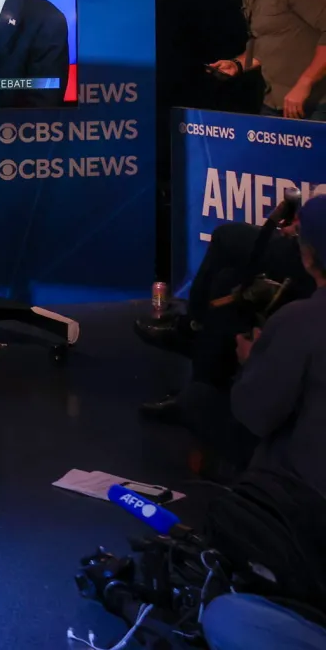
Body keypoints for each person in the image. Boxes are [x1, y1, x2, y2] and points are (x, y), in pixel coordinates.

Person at [135, 193, 312, 461]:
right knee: (227, 282)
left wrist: (307, 229)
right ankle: (201, 392)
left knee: (227, 237)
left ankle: (191, 330)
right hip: (313, 239)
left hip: (314, 251)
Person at [230, 194, 326, 494]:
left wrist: (250, 362)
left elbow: (256, 415)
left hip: (305, 499)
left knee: (198, 400)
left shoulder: (299, 321)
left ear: (307, 256)